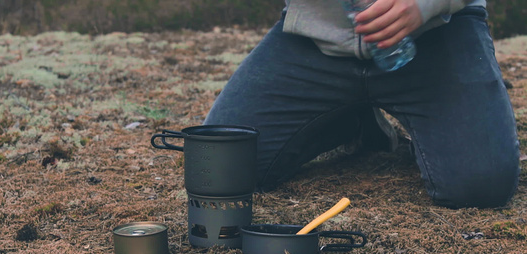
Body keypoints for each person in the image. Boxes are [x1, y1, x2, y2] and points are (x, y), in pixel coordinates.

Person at [203, 0, 520, 209]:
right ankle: (348, 119)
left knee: (481, 186)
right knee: (218, 167)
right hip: (316, 37)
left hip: (438, 29)